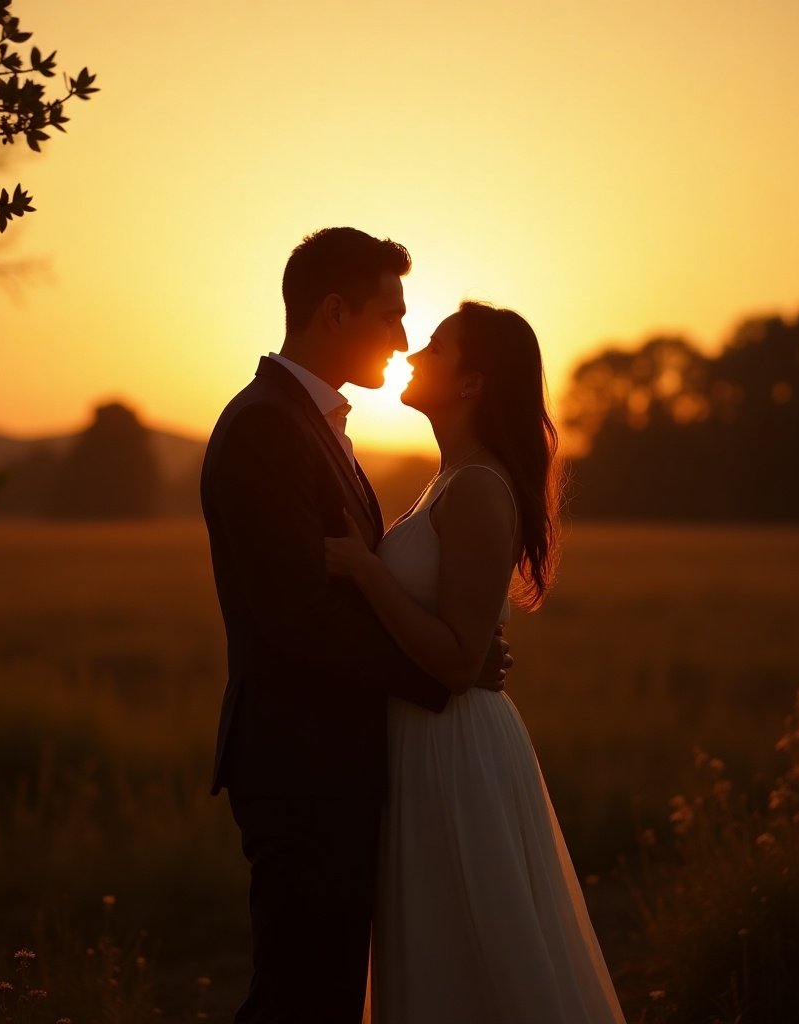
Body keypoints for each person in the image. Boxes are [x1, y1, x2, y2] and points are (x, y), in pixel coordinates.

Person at [200, 228, 511, 1024]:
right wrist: (445, 668)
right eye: (391, 315)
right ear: (335, 311)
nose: (404, 339)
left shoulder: (310, 421)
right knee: (301, 999)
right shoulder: (269, 425)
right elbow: (296, 616)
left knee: (324, 993)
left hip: (332, 764)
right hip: (300, 763)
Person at [325, 301, 628, 1024]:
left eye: (433, 347)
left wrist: (367, 574)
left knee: (475, 954)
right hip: (424, 741)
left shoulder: (478, 489)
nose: (412, 355)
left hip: (453, 748)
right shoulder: (448, 479)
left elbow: (460, 663)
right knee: (439, 956)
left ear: (471, 385)